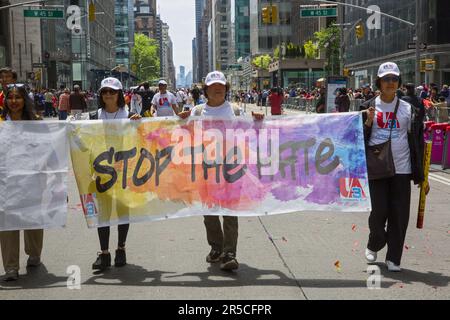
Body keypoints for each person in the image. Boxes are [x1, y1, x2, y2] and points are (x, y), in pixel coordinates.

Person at [189, 71, 264, 271]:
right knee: (210, 212)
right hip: (206, 168)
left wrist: (258, 121)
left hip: (232, 167)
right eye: (213, 85)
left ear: (226, 88)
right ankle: (216, 248)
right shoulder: (197, 111)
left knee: (230, 211)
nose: (218, 88)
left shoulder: (236, 110)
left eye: (221, 85)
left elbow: (251, 133)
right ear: (206, 90)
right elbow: (182, 134)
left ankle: (230, 253)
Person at [360, 62, 427, 272]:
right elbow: (356, 140)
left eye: (394, 79)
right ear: (379, 82)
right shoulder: (367, 106)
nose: (391, 83)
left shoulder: (409, 109)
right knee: (378, 211)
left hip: (402, 167)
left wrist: (423, 175)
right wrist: (368, 122)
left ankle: (394, 257)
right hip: (376, 167)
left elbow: (417, 142)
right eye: (386, 79)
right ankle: (374, 242)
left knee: (399, 214)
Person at [88, 77, 141, 271]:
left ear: (119, 94)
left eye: (112, 91)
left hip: (124, 171)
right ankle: (104, 253)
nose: (108, 95)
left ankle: (121, 249)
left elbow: (142, 139)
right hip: (101, 172)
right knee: (103, 212)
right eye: (104, 92)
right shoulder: (93, 116)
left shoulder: (130, 115)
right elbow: (81, 141)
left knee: (122, 211)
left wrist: (138, 123)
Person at [0, 84, 43, 281]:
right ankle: (10, 267)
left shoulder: (36, 123)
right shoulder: (0, 123)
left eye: (18, 97)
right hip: (5, 182)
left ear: (25, 100)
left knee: (33, 220)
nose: (14, 101)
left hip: (31, 180)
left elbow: (47, 152)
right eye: (11, 97)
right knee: (7, 224)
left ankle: (34, 254)